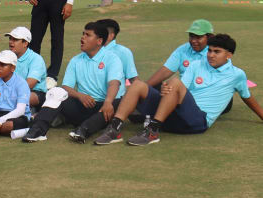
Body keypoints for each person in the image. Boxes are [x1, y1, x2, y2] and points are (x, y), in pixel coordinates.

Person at [94, 34, 263, 146]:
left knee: (174, 82)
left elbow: (248, 98)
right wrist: (167, 91)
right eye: (210, 51)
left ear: (229, 55)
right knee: (138, 85)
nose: (211, 55)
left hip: (198, 121)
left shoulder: (237, 75)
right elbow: (183, 87)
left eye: (217, 52)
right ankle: (114, 129)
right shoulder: (197, 65)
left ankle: (152, 132)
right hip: (174, 117)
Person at [22, 22, 124, 143]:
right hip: (83, 105)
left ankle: (83, 130)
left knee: (116, 103)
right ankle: (37, 131)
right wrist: (80, 96)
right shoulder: (76, 60)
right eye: (83, 34)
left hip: (104, 106)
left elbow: (114, 83)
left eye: (88, 35)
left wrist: (108, 102)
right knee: (56, 91)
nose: (82, 38)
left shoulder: (112, 58)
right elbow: (66, 87)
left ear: (99, 41)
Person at [146, 19, 214, 87]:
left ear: (209, 37)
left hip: (203, 93)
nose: (193, 41)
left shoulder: (215, 53)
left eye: (198, 37)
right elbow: (166, 71)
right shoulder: (183, 49)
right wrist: (144, 87)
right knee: (156, 86)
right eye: (191, 36)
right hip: (183, 92)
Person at [5, 26, 47, 109]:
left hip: (34, 92)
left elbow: (29, 84)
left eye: (15, 39)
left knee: (21, 98)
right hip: (10, 91)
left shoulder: (36, 59)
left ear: (25, 43)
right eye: (10, 38)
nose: (11, 42)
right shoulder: (6, 56)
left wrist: (9, 93)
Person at [96, 19, 138, 85]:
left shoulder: (123, 52)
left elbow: (133, 79)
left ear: (111, 36)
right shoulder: (91, 51)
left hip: (116, 95)